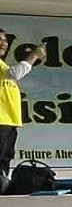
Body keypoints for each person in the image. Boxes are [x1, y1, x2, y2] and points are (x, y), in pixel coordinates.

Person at [0, 30, 46, 185]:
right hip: (1, 121)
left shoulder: (2, 65)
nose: (3, 44)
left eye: (5, 40)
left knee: (5, 160)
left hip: (9, 122)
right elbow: (15, 73)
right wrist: (35, 55)